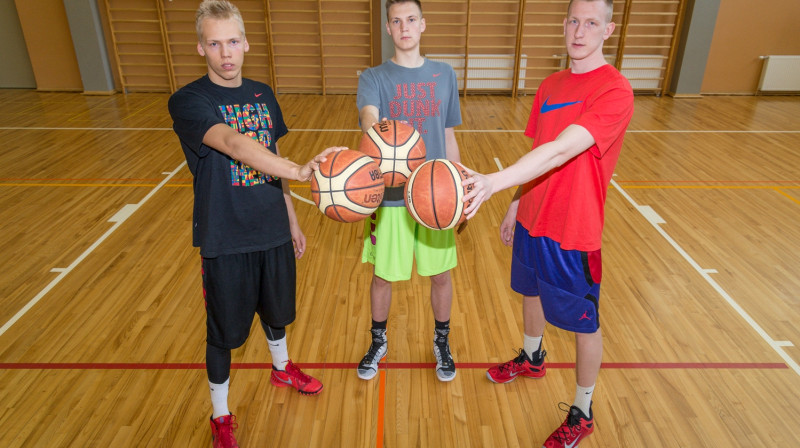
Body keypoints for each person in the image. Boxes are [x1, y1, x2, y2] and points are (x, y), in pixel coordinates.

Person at [167, 1, 344, 447]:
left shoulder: (264, 93)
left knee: (277, 311)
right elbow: (232, 142)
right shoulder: (189, 100)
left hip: (272, 227)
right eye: (214, 43)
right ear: (201, 48)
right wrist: (302, 172)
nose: (225, 53)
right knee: (224, 332)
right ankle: (221, 414)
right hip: (225, 236)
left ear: (245, 43)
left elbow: (271, 158)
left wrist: (292, 218)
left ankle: (283, 369)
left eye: (231, 41)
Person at [461, 0, 633, 446]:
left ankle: (583, 409)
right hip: (532, 219)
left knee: (584, 324)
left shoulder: (615, 91)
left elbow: (561, 150)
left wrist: (494, 182)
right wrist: (517, 203)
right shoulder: (551, 85)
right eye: (574, 20)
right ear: (564, 24)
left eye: (591, 23)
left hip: (572, 231)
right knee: (530, 291)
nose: (580, 30)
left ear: (608, 30)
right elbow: (539, 151)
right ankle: (532, 357)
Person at [355, 0, 463, 382]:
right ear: (388, 28)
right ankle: (378, 340)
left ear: (423, 25)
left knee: (440, 275)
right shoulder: (373, 77)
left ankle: (442, 341)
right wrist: (376, 129)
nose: (404, 27)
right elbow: (369, 119)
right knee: (383, 275)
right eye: (396, 21)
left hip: (435, 195)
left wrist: (460, 188)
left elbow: (448, 136)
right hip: (391, 198)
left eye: (411, 19)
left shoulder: (444, 74)